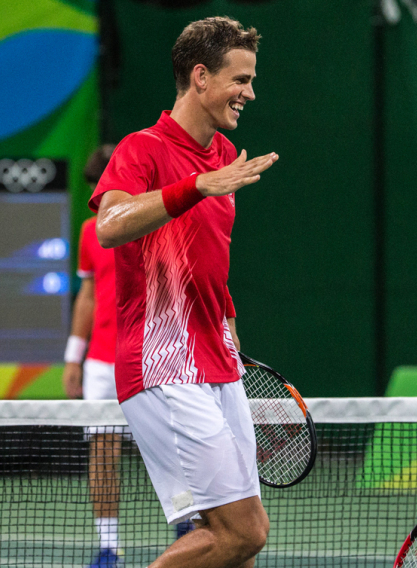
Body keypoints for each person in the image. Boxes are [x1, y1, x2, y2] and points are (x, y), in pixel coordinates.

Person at [89, 17, 278, 568]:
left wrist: (229, 328)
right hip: (163, 365)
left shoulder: (225, 158)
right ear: (200, 77)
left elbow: (208, 263)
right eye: (239, 79)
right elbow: (110, 224)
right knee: (243, 531)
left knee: (233, 543)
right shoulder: (142, 148)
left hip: (218, 361)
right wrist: (193, 186)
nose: (250, 93)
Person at [65, 145, 195, 568]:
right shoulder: (90, 233)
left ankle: (185, 527)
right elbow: (87, 295)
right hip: (102, 360)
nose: (97, 202)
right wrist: (73, 357)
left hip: (155, 354)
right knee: (103, 449)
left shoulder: (162, 225)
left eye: (100, 191)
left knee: (170, 443)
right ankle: (107, 546)